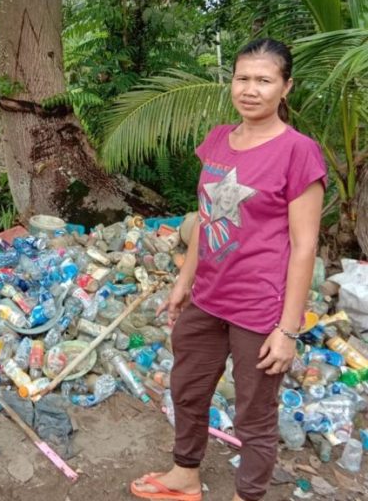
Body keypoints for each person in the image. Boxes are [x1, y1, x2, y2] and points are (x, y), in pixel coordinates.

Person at [130, 38, 326, 501]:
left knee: (254, 414)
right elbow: (206, 215)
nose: (250, 89)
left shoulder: (298, 152)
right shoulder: (218, 140)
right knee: (188, 389)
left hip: (260, 307)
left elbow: (304, 246)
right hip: (207, 298)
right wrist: (184, 281)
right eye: (242, 78)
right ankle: (185, 475)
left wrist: (288, 329)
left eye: (264, 80)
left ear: (286, 87)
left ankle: (248, 495)